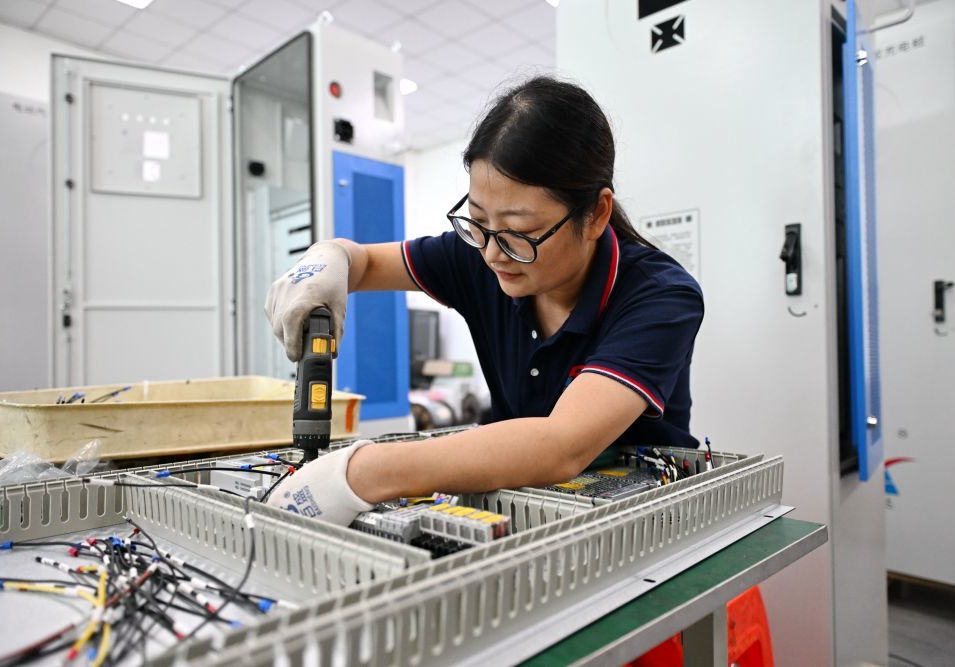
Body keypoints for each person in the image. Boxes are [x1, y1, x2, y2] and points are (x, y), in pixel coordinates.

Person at [263, 76, 704, 525]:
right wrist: (329, 259)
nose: (493, 253)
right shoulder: (483, 256)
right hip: (531, 515)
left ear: (596, 214)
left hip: (647, 522)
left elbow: (562, 445)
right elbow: (365, 263)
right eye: (477, 221)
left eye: (520, 231)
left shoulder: (660, 296)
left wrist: (361, 472)